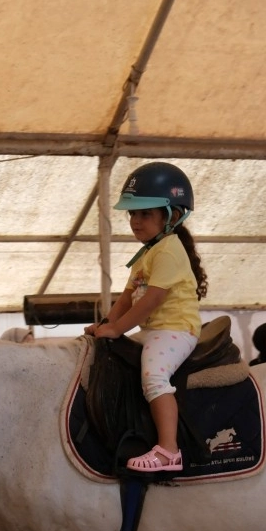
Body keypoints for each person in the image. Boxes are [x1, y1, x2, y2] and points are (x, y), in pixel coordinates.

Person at [82, 161, 207, 473]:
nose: (136, 221)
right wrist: (105, 324)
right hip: (156, 330)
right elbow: (126, 297)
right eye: (133, 214)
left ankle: (169, 450)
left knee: (154, 376)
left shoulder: (167, 251)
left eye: (145, 214)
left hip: (175, 329)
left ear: (172, 216)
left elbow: (152, 299)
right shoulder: (148, 252)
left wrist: (117, 329)